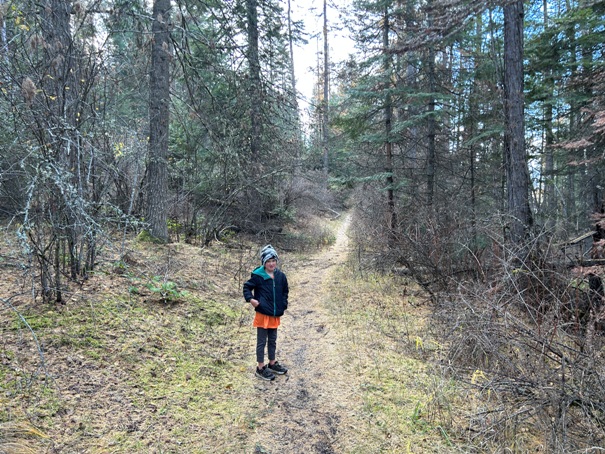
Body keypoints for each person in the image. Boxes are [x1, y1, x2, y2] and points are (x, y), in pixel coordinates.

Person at [243, 244, 289, 381]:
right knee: (261, 342)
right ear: (264, 262)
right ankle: (260, 367)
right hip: (263, 314)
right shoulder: (258, 276)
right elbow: (247, 287)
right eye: (268, 261)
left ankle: (272, 363)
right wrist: (251, 299)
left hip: (275, 314)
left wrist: (283, 304)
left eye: (273, 260)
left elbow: (285, 292)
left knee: (273, 340)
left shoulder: (281, 276)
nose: (271, 263)